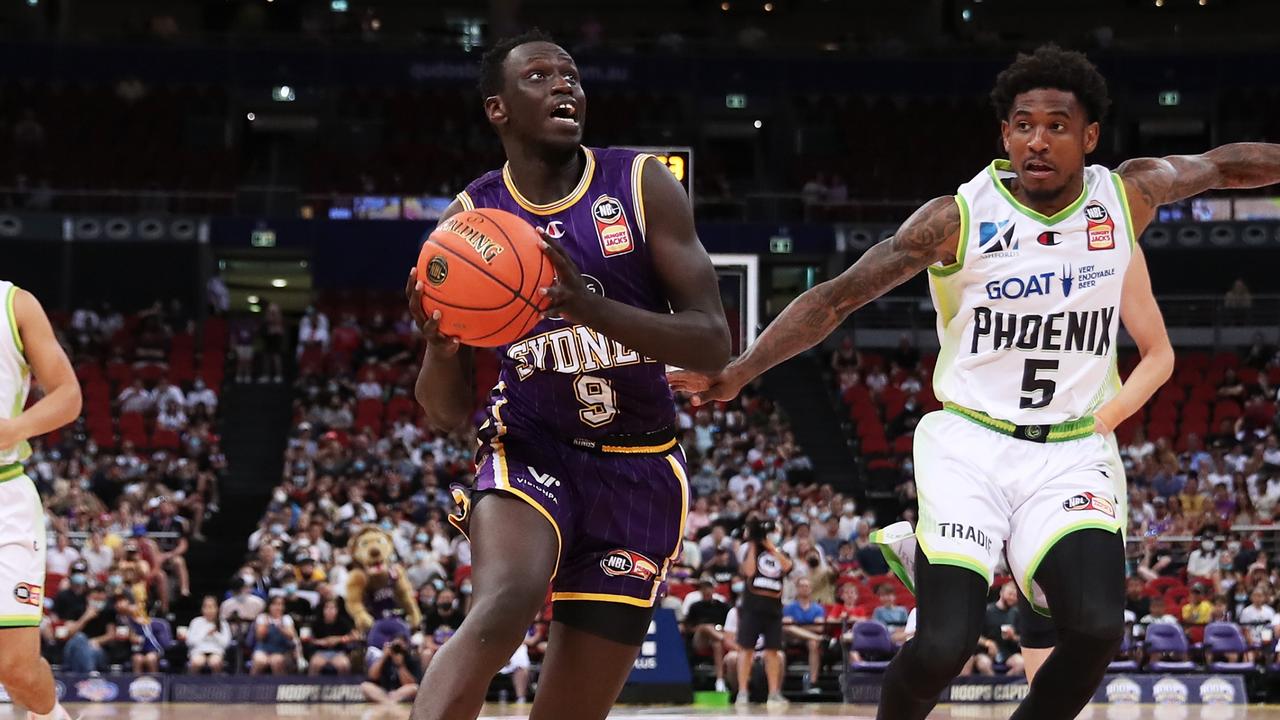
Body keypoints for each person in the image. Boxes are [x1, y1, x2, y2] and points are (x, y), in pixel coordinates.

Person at [671, 43, 1280, 719]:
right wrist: (740, 371)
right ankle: (930, 556)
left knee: (1100, 627)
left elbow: (1224, 166)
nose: (1037, 141)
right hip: (971, 446)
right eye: (1022, 125)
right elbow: (836, 299)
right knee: (943, 645)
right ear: (1004, 134)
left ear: (1090, 136)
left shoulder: (1126, 196)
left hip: (1070, 449)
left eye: (1056, 124)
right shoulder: (956, 220)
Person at [406, 29, 729, 720]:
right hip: (531, 445)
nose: (565, 86)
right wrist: (439, 344)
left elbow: (710, 343)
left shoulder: (641, 183)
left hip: (639, 469)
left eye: (572, 75)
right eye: (540, 76)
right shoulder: (470, 222)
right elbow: (444, 412)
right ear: (498, 109)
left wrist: (589, 307)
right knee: (506, 599)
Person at [0, 281, 81, 720]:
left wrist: (13, 430)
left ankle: (50, 715)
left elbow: (69, 396)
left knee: (15, 669)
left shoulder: (14, 304)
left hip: (4, 497)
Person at [733, 516, 793, 708]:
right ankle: (742, 692)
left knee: (773, 651)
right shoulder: (749, 550)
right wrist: (753, 543)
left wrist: (769, 546)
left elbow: (787, 567)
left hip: (774, 608)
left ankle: (774, 693)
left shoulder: (780, 551)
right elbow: (749, 571)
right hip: (752, 607)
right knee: (746, 649)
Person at [682, 579, 731, 692]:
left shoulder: (722, 606)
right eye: (704, 588)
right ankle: (724, 640)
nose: (707, 591)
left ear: (713, 589)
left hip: (717, 636)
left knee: (717, 643)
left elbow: (728, 625)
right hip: (700, 639)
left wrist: (718, 629)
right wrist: (700, 628)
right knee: (705, 627)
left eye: (709, 588)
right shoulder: (695, 606)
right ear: (700, 590)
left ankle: (719, 681)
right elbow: (687, 627)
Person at [781, 576, 826, 695]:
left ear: (811, 589)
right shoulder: (789, 607)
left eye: (807, 586)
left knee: (813, 643)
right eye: (802, 586)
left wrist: (798, 626)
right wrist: (808, 626)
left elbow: (819, 627)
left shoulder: (818, 608)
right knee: (788, 628)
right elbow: (786, 626)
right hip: (791, 639)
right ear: (797, 588)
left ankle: (812, 682)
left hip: (809, 638)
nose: (804, 589)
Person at [186, 595, 232, 674]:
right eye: (206, 607)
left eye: (211, 607)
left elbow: (226, 643)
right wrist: (205, 634)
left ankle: (217, 685)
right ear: (202, 609)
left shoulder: (223, 623)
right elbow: (190, 642)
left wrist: (215, 635)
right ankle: (192, 684)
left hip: (216, 651)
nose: (209, 610)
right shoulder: (196, 622)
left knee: (215, 662)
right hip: (198, 651)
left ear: (217, 608)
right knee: (197, 662)